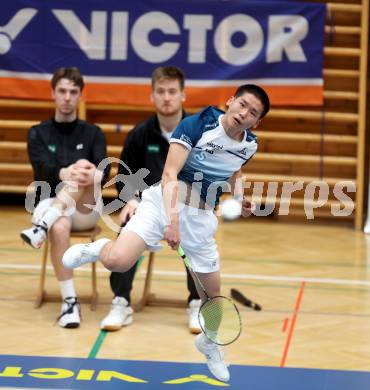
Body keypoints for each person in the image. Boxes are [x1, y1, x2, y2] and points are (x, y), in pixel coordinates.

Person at [62, 84, 270, 382]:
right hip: (162, 205)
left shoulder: (249, 144)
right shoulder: (198, 124)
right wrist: (172, 221)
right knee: (118, 261)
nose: (244, 114)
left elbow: (233, 171)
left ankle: (209, 344)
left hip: (199, 219)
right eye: (242, 105)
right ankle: (98, 250)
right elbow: (170, 173)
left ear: (256, 121)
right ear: (231, 101)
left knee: (213, 299)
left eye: (253, 113)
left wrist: (240, 197)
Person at [100, 66, 201, 333]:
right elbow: (124, 178)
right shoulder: (139, 135)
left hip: (185, 207)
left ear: (183, 95)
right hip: (146, 208)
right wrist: (130, 201)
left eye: (172, 92)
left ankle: (196, 303)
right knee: (126, 227)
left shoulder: (200, 135)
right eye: (161, 92)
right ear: (152, 96)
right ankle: (121, 302)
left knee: (198, 234)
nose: (166, 97)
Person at [20, 67, 109, 328]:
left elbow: (105, 171)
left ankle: (40, 227)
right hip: (49, 203)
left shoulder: (94, 133)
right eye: (62, 91)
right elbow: (42, 169)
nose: (67, 97)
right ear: (53, 94)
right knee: (59, 225)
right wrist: (63, 172)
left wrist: (85, 171)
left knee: (85, 166)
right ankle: (70, 302)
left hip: (84, 209)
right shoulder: (37, 133)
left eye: (73, 92)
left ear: (80, 95)